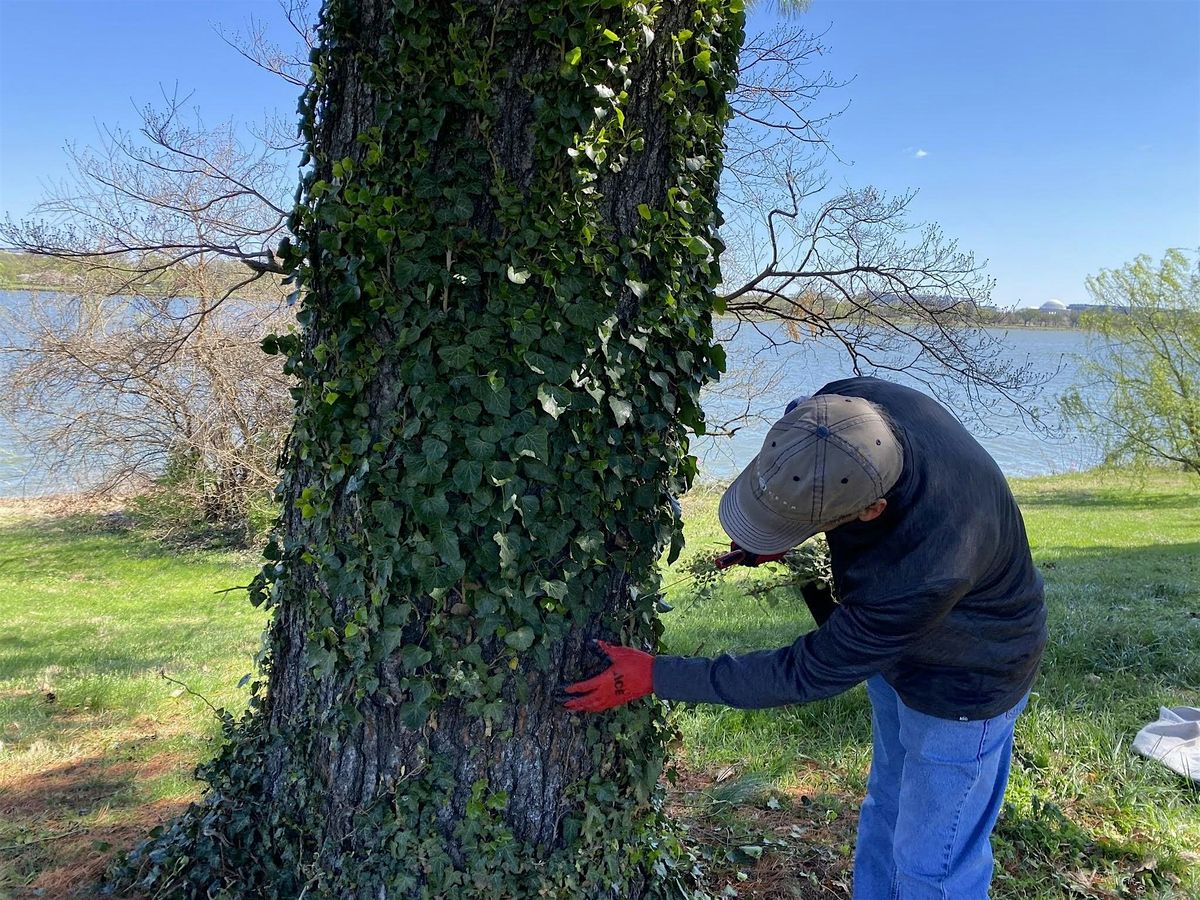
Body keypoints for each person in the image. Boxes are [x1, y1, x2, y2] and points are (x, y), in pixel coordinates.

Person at [563, 377, 1048, 900]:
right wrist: (777, 534)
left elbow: (806, 671)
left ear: (871, 511)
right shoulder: (839, 409)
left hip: (967, 680)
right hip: (899, 659)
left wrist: (657, 674)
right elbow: (815, 480)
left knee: (933, 863)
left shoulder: (929, 567)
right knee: (886, 810)